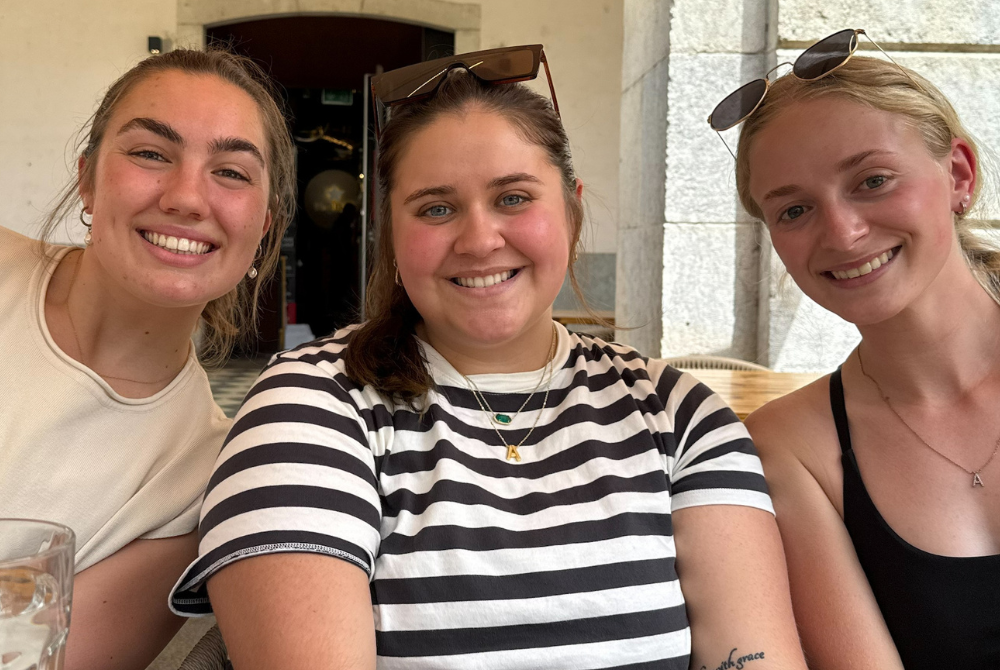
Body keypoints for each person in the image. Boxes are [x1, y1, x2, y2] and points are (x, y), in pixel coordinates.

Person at [170, 46, 807, 670]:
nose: (478, 240)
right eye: (437, 208)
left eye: (513, 198)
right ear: (392, 234)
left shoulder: (679, 415)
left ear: (572, 210)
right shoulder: (315, 404)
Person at [0, 48, 295, 669]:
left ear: (264, 224)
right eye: (150, 154)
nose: (187, 198)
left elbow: (35, 660)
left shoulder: (196, 482)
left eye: (233, 172)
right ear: (87, 177)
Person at [723, 36, 1000, 668]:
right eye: (794, 210)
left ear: (958, 174)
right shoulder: (790, 446)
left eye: (872, 181)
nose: (843, 233)